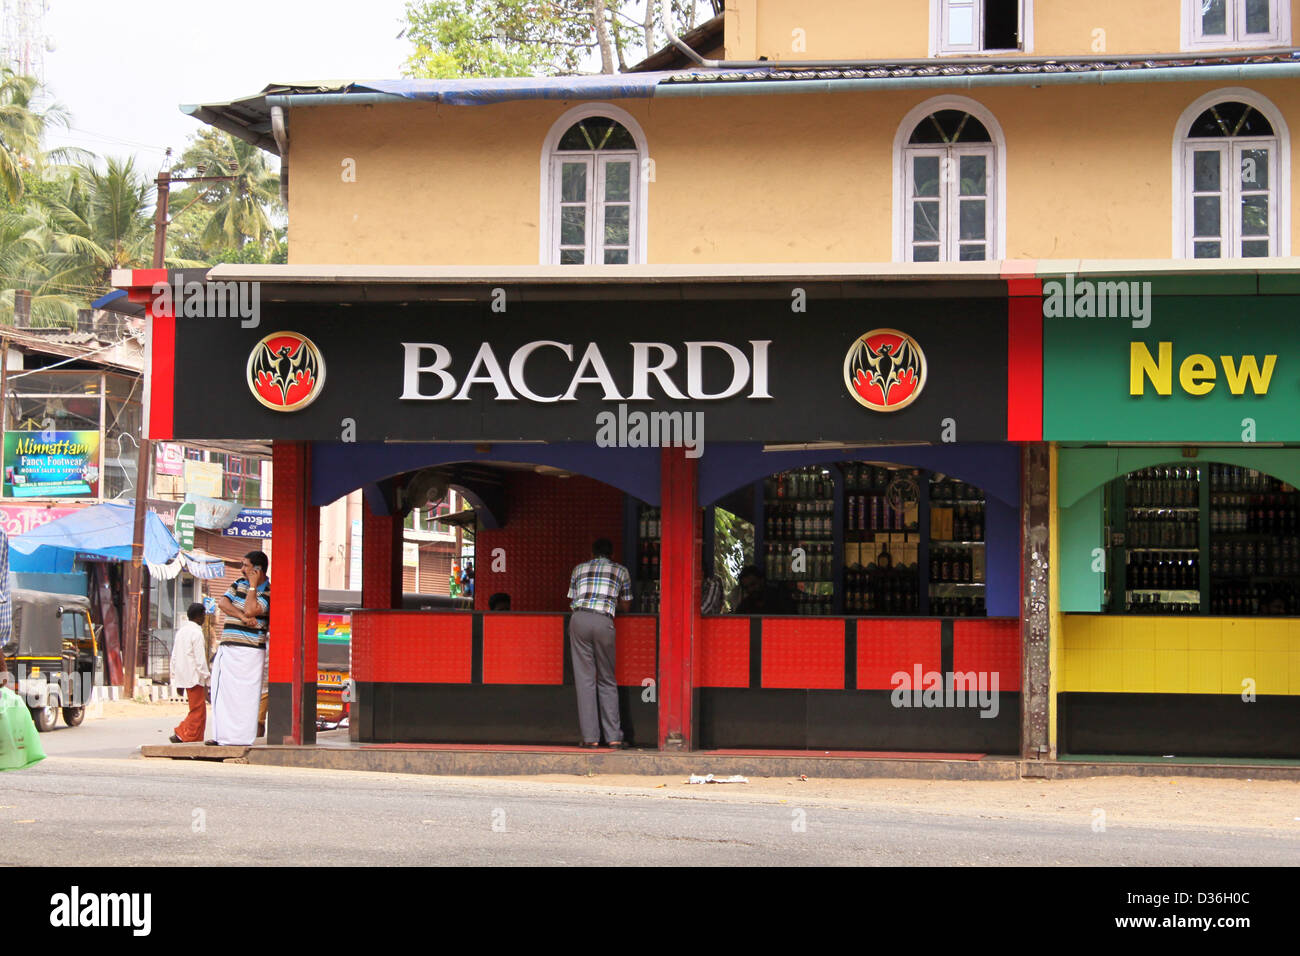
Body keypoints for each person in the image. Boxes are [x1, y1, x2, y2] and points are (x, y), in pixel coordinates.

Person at [567, 538, 632, 749]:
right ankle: (613, 737)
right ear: (611, 553)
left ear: (593, 553)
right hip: (604, 621)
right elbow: (626, 604)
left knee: (585, 680)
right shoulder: (621, 571)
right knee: (607, 679)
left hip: (579, 619)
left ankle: (590, 738)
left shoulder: (578, 569)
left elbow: (572, 599)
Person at [208, 551, 270, 746]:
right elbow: (223, 603)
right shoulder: (237, 584)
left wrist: (252, 586)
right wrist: (242, 617)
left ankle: (242, 738)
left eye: (246, 565)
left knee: (246, 697)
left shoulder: (268, 591)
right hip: (230, 645)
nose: (242, 569)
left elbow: (253, 609)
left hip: (251, 650)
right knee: (225, 694)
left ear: (257, 570)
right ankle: (222, 737)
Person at [169, 603, 210, 743]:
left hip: (183, 675)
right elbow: (200, 659)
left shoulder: (181, 631)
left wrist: (175, 678)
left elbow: (174, 655)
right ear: (199, 616)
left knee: (197, 709)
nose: (204, 618)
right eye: (204, 615)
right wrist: (207, 677)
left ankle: (193, 737)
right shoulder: (197, 633)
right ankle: (182, 733)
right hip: (195, 676)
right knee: (198, 711)